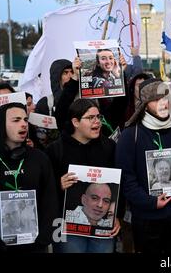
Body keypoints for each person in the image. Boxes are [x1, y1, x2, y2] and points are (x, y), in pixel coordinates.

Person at [116, 78, 171, 254]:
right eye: (156, 99)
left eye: (165, 97)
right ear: (144, 104)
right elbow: (127, 178)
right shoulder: (130, 136)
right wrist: (150, 202)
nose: (163, 103)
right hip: (147, 219)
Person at [45, 99, 120, 253]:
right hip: (65, 226)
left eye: (98, 117)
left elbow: (119, 185)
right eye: (90, 118)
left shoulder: (109, 147)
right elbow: (43, 189)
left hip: (102, 226)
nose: (97, 122)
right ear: (75, 122)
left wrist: (115, 215)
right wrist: (58, 184)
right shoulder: (56, 149)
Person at [0, 102, 58, 253]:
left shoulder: (40, 158)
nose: (23, 124)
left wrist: (43, 239)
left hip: (34, 245)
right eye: (16, 120)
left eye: (25, 120)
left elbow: (50, 200)